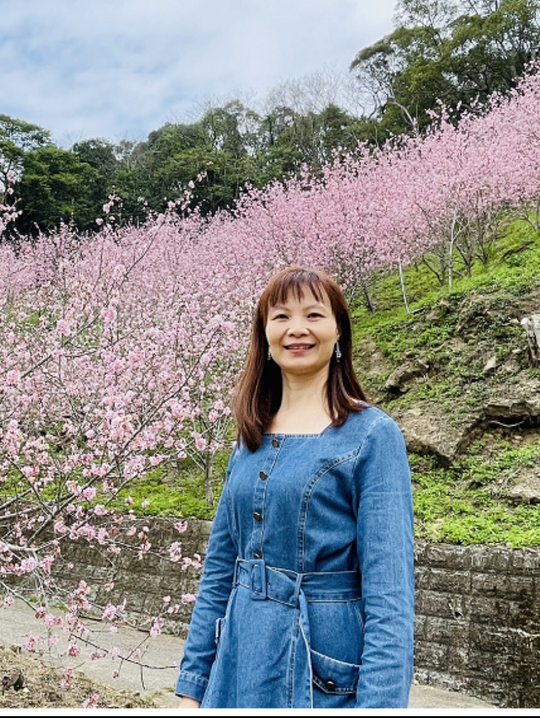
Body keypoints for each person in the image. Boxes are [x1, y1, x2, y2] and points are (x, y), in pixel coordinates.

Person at [175, 266, 414, 709]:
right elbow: (219, 571)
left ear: (338, 331)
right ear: (264, 335)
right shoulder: (250, 436)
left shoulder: (372, 436)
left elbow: (390, 598)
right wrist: (192, 687)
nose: (297, 329)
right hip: (238, 664)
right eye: (281, 316)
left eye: (314, 315)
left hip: (319, 674)